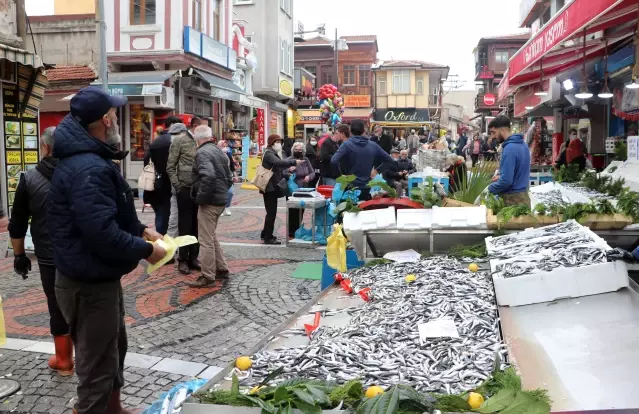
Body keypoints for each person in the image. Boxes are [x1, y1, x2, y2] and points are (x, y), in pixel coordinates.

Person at [47, 86, 166, 414]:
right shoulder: (89, 167)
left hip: (95, 277)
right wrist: (145, 249)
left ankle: (113, 409)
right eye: (113, 112)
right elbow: (101, 232)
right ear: (103, 120)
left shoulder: (91, 160)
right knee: (97, 365)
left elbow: (103, 213)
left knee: (115, 348)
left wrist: (143, 230)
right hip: (87, 282)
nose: (116, 117)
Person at [9, 127, 73, 377]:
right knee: (85, 304)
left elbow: (17, 223)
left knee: (56, 304)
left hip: (48, 254)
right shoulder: (81, 172)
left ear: (45, 147)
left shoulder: (30, 177)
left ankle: (64, 361)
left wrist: (19, 256)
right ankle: (91, 362)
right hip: (81, 253)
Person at [187, 126, 233, 288]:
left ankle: (208, 276)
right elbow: (229, 177)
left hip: (210, 200)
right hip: (220, 199)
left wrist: (201, 198)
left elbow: (209, 176)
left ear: (197, 139)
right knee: (211, 235)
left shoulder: (202, 153)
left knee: (205, 239)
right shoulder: (218, 151)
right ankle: (222, 268)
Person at [331, 119, 394, 201]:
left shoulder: (346, 144)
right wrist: (376, 171)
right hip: (367, 188)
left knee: (348, 213)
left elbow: (333, 161)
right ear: (364, 131)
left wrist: (340, 176)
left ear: (350, 132)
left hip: (349, 188)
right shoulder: (373, 145)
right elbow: (390, 160)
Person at [167, 121, 200, 275]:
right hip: (185, 188)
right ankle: (183, 259)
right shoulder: (180, 141)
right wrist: (178, 186)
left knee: (197, 224)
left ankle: (194, 257)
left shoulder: (201, 142)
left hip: (199, 189)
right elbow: (170, 166)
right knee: (185, 225)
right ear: (194, 127)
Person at [261, 135, 301, 245]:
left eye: (280, 142)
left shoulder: (272, 153)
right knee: (271, 213)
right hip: (269, 188)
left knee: (270, 212)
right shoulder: (269, 153)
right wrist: (293, 162)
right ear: (271, 143)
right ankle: (268, 237)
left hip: (271, 186)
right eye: (277, 142)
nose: (279, 144)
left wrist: (285, 174)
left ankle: (265, 233)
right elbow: (278, 163)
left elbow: (276, 170)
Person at [144, 116, 180, 235]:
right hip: (171, 184)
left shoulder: (156, 141)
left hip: (155, 183)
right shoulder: (176, 141)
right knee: (171, 216)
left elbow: (146, 161)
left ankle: (159, 237)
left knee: (160, 214)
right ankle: (167, 244)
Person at [487, 115, 531, 206]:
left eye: (493, 132)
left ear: (502, 130)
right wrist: (501, 176)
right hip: (524, 196)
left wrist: (489, 188)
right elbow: (519, 171)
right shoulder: (523, 144)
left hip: (513, 199)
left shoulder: (509, 148)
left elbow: (506, 181)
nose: (493, 136)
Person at [286, 142, 316, 237]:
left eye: (300, 150)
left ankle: (298, 229)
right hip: (292, 190)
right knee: (293, 210)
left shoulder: (305, 160)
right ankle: (291, 231)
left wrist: (309, 177)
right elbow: (282, 172)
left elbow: (312, 172)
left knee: (301, 210)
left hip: (304, 189)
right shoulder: (289, 160)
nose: (298, 152)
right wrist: (289, 170)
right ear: (292, 150)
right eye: (296, 150)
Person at [217, 139, 235, 216]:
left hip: (228, 177)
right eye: (223, 146)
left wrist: (235, 175)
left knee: (230, 193)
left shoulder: (228, 154)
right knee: (220, 193)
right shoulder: (216, 155)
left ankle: (227, 207)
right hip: (219, 177)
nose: (225, 148)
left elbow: (232, 165)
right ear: (219, 147)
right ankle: (220, 208)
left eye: (226, 146)